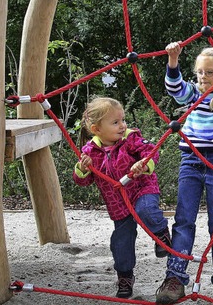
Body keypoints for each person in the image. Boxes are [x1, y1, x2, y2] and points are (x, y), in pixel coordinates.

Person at [156, 22, 213, 304]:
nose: (204, 77)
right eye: (200, 72)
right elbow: (174, 87)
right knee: (184, 219)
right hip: (190, 162)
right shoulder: (193, 95)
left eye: (210, 72)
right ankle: (175, 277)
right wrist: (173, 60)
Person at [73, 97, 171, 299]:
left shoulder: (131, 138)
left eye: (123, 120)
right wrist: (82, 169)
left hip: (142, 188)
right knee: (121, 241)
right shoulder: (89, 152)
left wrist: (144, 163)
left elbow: (151, 152)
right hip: (117, 202)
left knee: (146, 210)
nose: (122, 125)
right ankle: (125, 276)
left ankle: (161, 235)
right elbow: (83, 181)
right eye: (115, 122)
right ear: (96, 129)